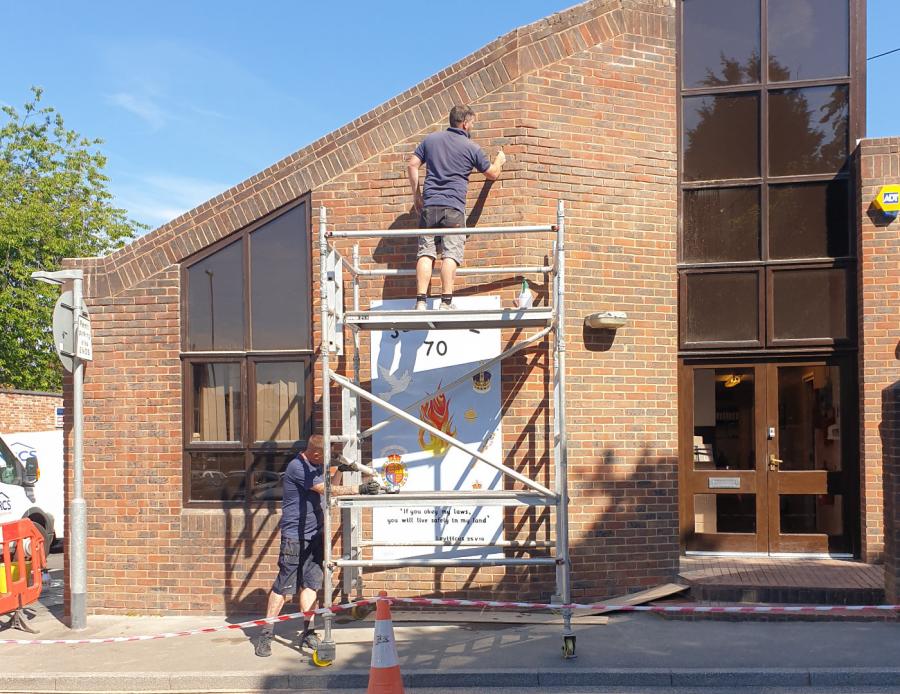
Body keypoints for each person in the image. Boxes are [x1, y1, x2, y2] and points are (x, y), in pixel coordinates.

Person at [254, 434, 380, 657]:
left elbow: (329, 487)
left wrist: (340, 470)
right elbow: (325, 490)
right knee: (283, 585)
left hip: (315, 534)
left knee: (311, 584)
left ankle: (308, 631)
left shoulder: (314, 466)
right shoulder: (298, 467)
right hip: (295, 536)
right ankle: (266, 634)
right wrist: (360, 489)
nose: (327, 459)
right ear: (314, 453)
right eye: (325, 456)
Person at [407, 105, 506, 311]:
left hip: (430, 205)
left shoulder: (431, 140)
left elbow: (412, 164)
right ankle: (446, 302)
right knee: (450, 254)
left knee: (426, 253)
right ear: (465, 123)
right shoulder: (471, 147)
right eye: (472, 123)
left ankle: (421, 302)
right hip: (453, 207)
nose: (472, 127)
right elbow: (492, 174)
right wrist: (500, 160)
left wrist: (417, 195)